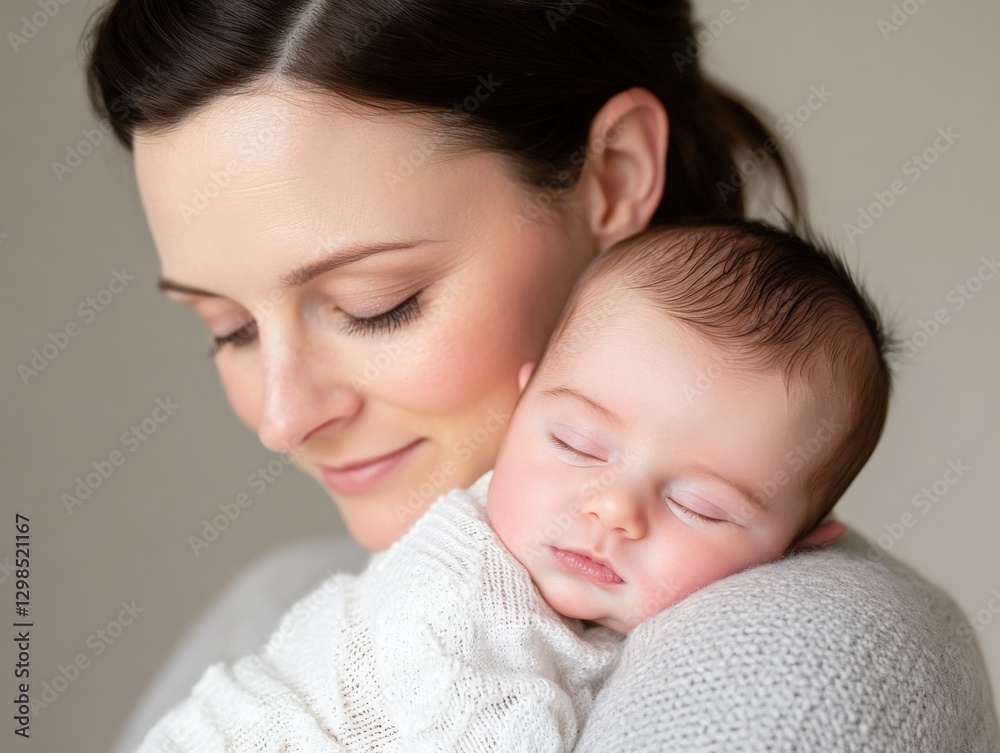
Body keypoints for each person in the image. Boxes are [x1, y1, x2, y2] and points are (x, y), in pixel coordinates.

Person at [83, 1, 999, 750]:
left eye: (378, 302)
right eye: (228, 327)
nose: (281, 418)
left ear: (613, 175)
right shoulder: (278, 596)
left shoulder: (805, 657)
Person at [133, 218, 888, 752]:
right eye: (575, 442)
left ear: (802, 543)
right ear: (523, 404)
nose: (612, 509)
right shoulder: (461, 590)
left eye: (701, 505)